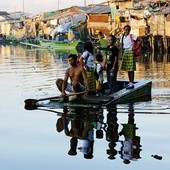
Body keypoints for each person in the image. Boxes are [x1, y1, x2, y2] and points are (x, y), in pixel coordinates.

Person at [120, 25, 138, 89]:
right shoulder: (122, 37)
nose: (126, 31)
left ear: (129, 30)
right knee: (128, 69)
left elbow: (140, 40)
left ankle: (132, 82)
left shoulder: (132, 36)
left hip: (131, 52)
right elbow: (121, 46)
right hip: (125, 52)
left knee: (131, 69)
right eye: (125, 29)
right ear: (124, 30)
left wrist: (135, 47)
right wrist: (121, 54)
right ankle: (129, 82)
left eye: (128, 30)